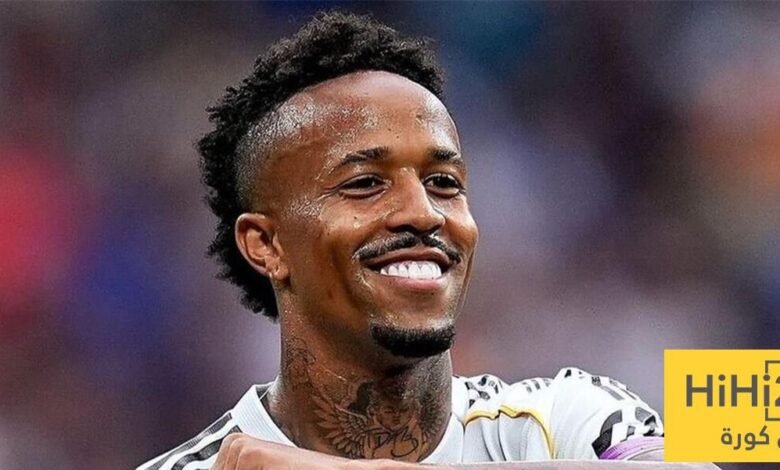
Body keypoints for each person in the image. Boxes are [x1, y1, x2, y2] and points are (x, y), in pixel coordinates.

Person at [138, 11, 667, 470]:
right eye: (365, 184)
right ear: (265, 244)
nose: (423, 212)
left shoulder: (573, 414)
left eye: (444, 183)